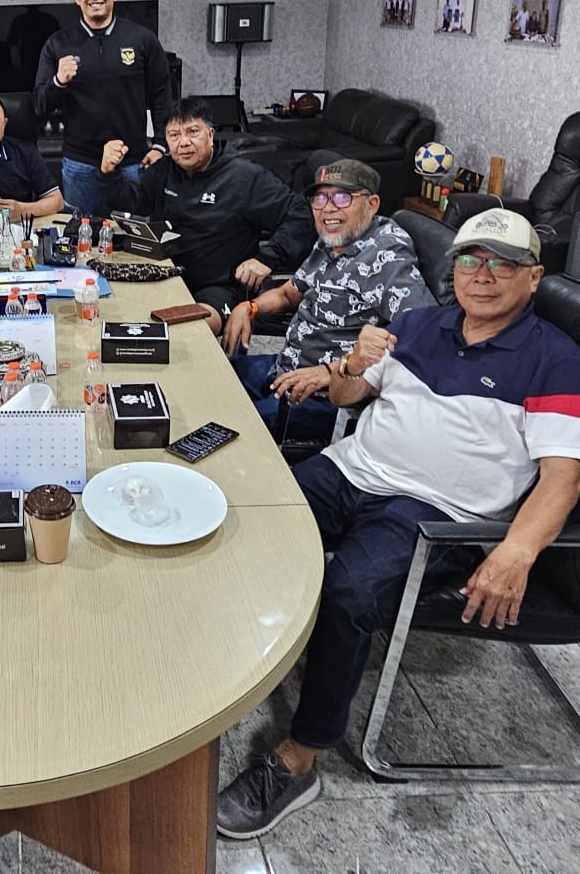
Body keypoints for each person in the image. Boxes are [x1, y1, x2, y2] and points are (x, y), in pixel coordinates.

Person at [217, 209, 580, 839]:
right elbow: (347, 398)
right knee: (245, 517)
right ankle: (231, 657)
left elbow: (562, 479)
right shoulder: (415, 324)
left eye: (503, 264)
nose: (483, 275)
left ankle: (299, 760)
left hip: (439, 512)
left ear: (533, 277)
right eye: (471, 260)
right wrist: (351, 367)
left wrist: (516, 552)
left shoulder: (556, 359)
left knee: (350, 594)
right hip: (352, 469)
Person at [222, 159, 434, 444]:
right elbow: (288, 293)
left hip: (321, 396)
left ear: (371, 204)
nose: (328, 208)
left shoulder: (386, 257)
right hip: (285, 365)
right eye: (320, 198)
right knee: (211, 381)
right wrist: (249, 308)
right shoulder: (332, 240)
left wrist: (332, 371)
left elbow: (425, 333)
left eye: (342, 197)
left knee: (226, 426)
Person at [99, 96, 313, 315]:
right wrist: (109, 172)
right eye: (174, 135)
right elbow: (133, 202)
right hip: (167, 274)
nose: (183, 142)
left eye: (193, 132)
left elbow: (301, 214)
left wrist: (267, 258)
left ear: (210, 135)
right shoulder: (164, 169)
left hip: (219, 288)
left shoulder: (244, 176)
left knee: (191, 324)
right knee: (115, 309)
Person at [33, 0, 173, 212]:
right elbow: (40, 105)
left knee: (134, 233)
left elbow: (161, 95)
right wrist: (59, 81)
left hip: (133, 162)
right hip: (80, 165)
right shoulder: (58, 44)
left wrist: (161, 146)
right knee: (81, 233)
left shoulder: (142, 39)